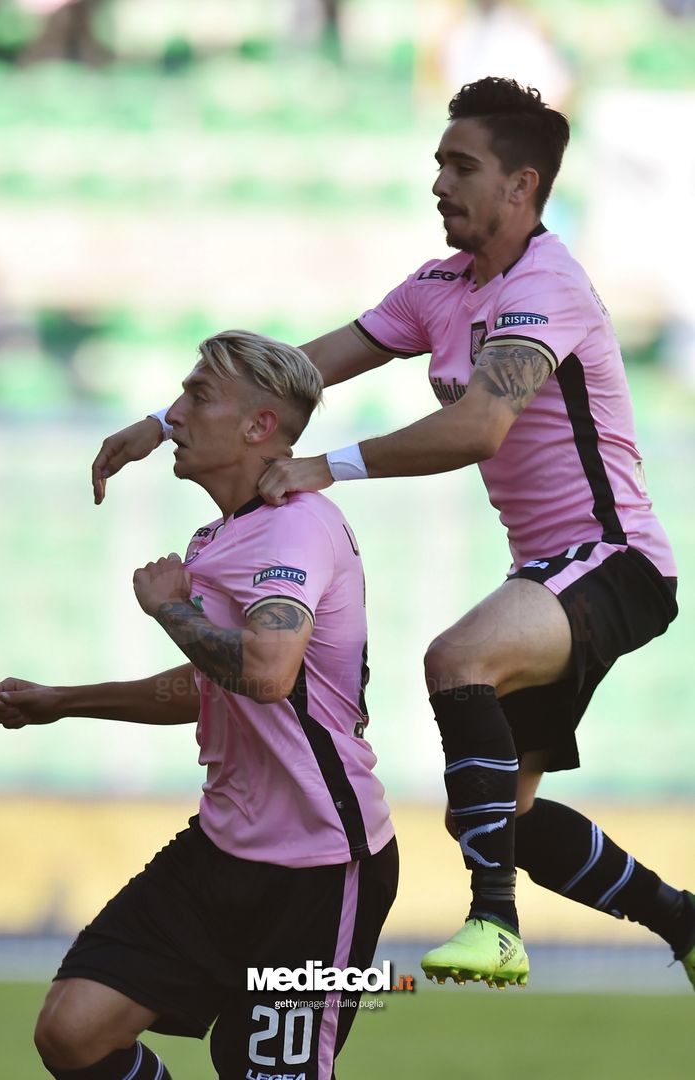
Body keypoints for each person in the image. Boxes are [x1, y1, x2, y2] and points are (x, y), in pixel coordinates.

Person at [89, 78, 695, 991]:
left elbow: (478, 426)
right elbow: (294, 373)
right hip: (551, 571)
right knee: (499, 816)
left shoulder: (547, 286)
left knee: (458, 659)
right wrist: (161, 420)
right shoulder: (438, 288)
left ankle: (494, 924)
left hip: (616, 559)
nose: (440, 183)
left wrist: (327, 465)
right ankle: (681, 920)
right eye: (438, 163)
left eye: (463, 166)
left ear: (522, 185)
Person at [0, 330, 398, 1079]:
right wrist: (63, 701)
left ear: (259, 426)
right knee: (74, 1031)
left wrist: (168, 610)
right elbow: (215, 682)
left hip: (319, 864)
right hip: (221, 847)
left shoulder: (296, 526)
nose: (174, 414)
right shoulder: (220, 536)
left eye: (197, 395)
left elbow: (268, 672)